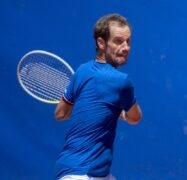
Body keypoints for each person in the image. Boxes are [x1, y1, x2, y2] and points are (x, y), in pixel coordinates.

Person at [54, 13, 142, 180]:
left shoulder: (81, 71)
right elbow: (135, 117)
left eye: (128, 41)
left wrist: (92, 107)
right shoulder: (121, 82)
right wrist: (120, 112)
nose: (126, 47)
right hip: (86, 175)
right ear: (101, 43)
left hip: (70, 170)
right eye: (118, 41)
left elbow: (60, 113)